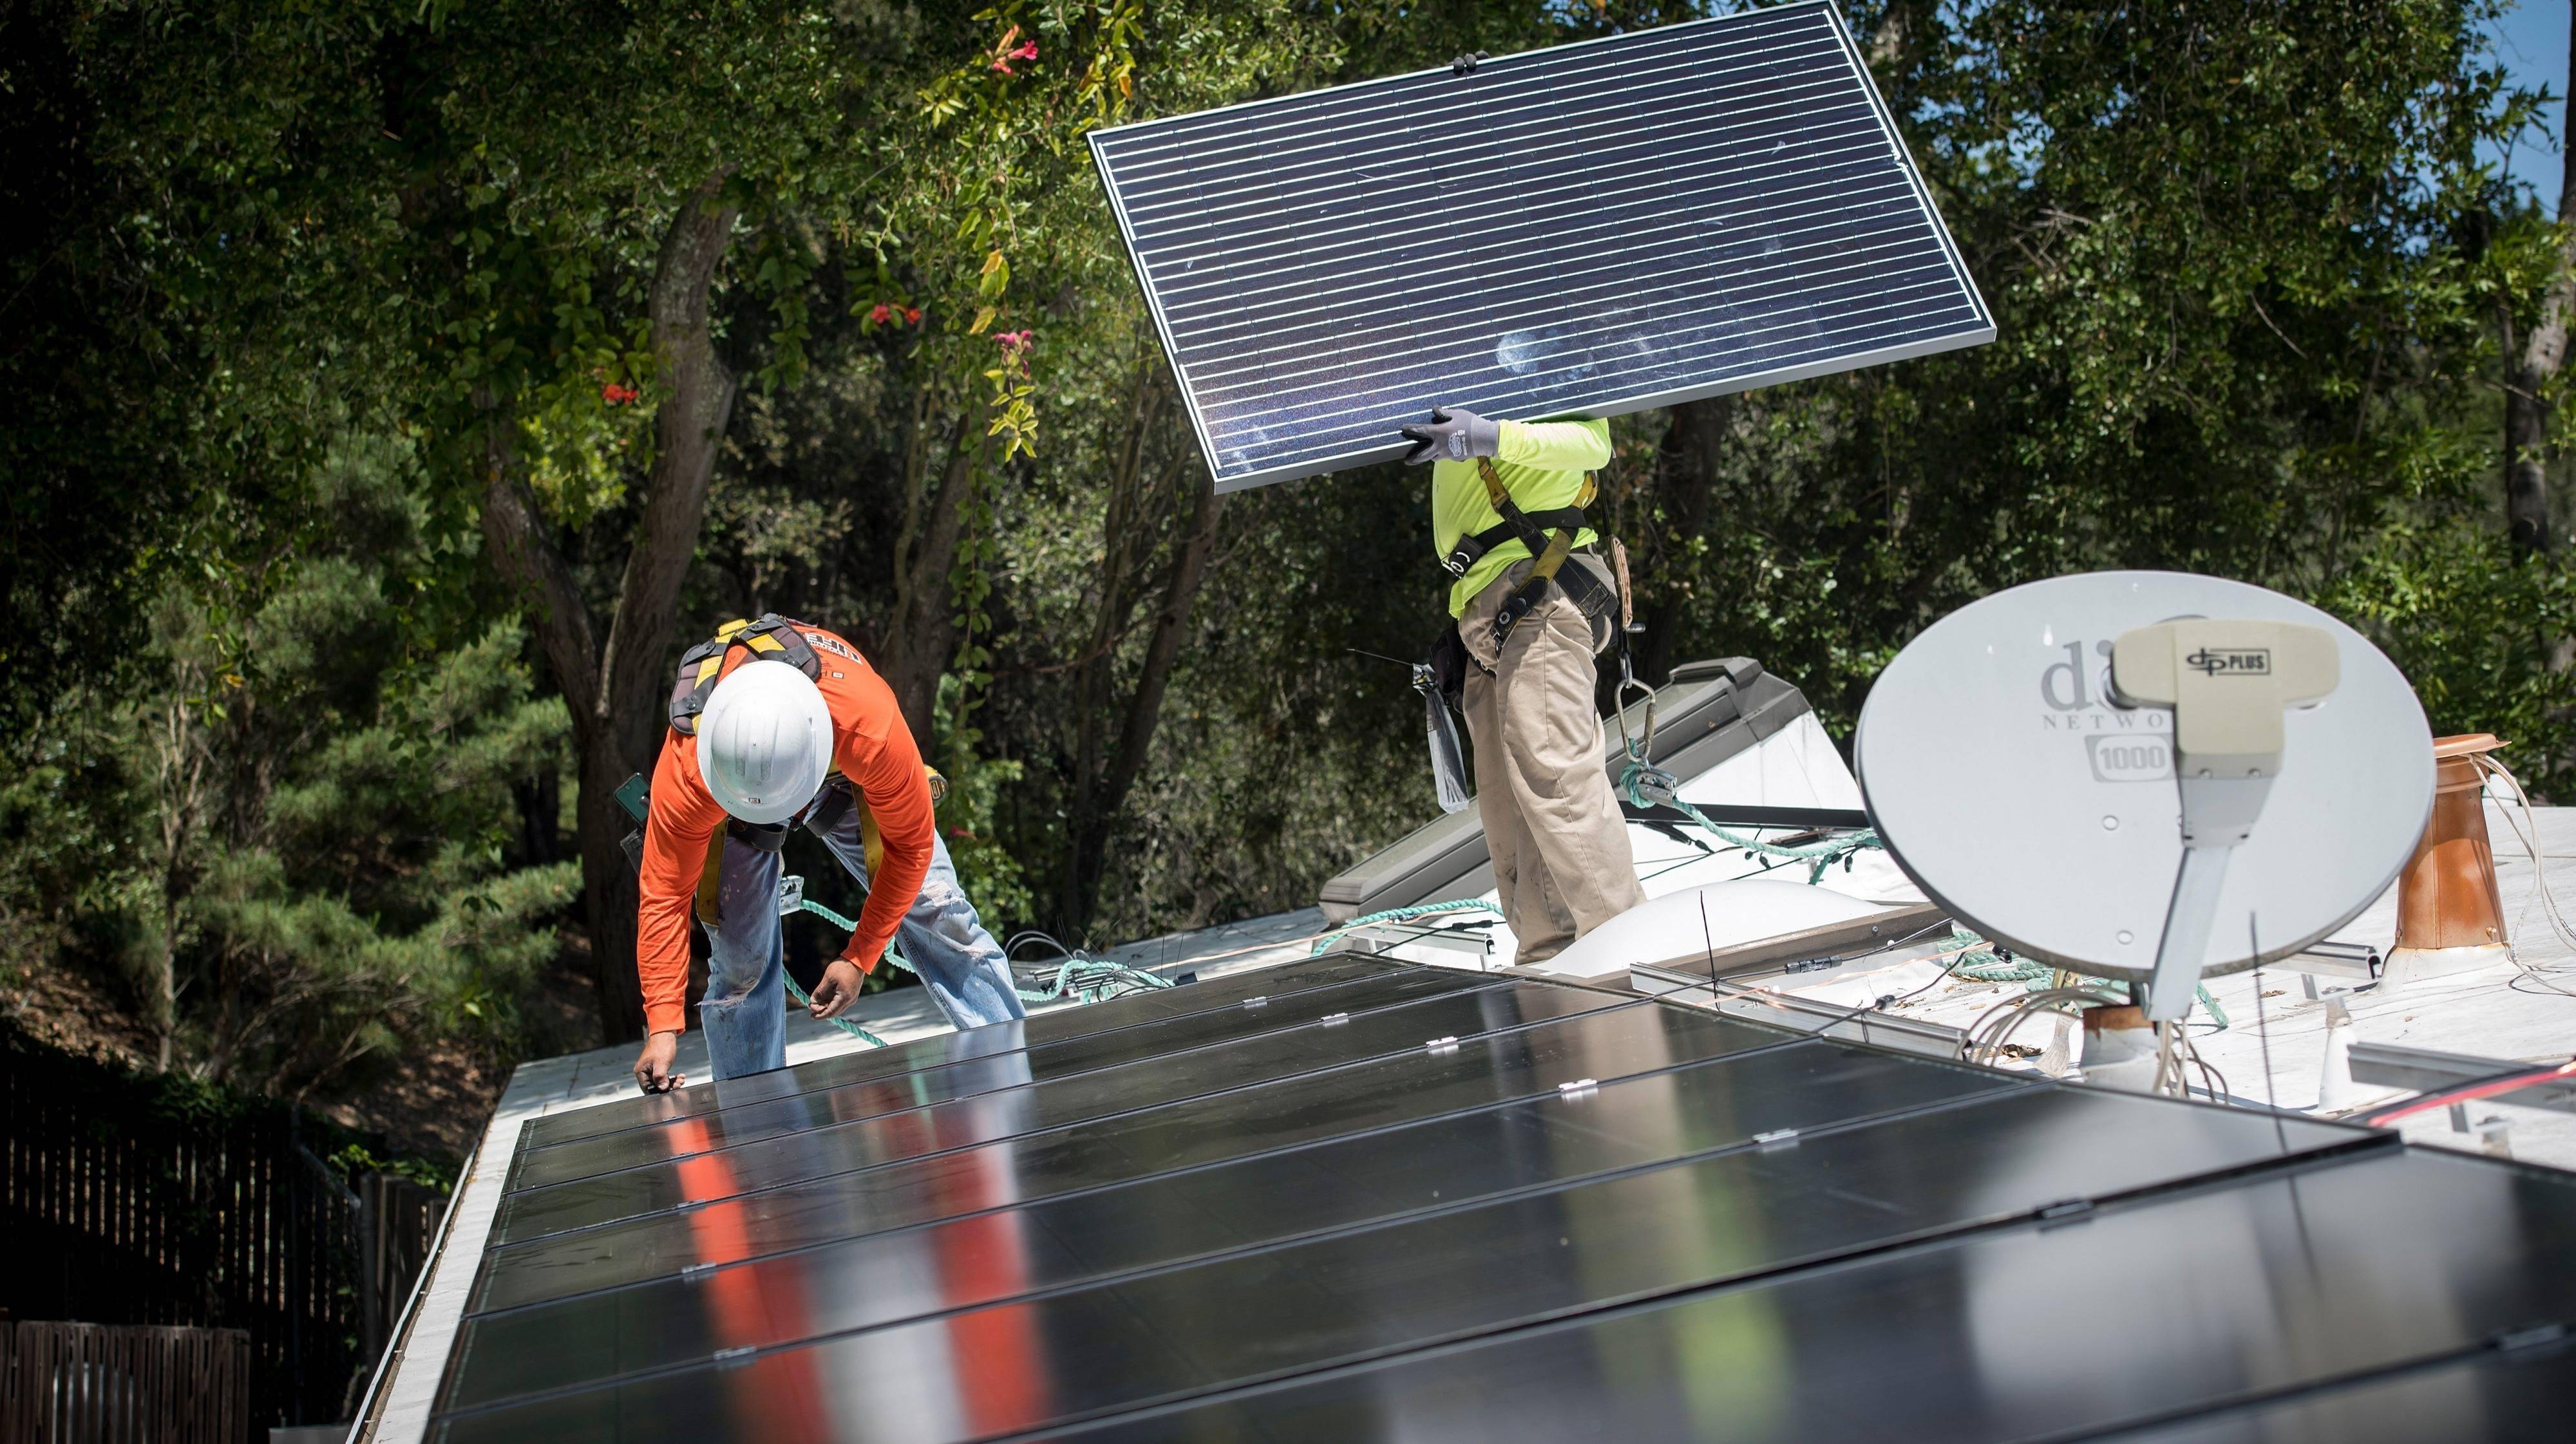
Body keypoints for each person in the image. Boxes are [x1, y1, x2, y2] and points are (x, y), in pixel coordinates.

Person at [630, 615, 1024, 1091]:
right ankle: (758, 1130)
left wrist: (860, 957)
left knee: (937, 907)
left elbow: (910, 848)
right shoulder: (690, 769)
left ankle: (1012, 1070)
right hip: (729, 806)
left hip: (837, 773)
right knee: (740, 970)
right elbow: (665, 896)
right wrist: (663, 1025)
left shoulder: (868, 727)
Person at [1401, 406, 1645, 962]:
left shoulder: (1544, 356)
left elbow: (1592, 445)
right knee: (1511, 810)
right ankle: (1549, 963)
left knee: (1554, 771)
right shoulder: (1460, 365)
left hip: (1538, 590)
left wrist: (1488, 437)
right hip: (1491, 612)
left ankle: (1633, 955)